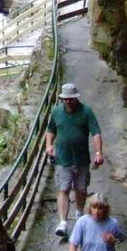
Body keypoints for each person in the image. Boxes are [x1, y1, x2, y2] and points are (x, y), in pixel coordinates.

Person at [44, 82, 103, 237]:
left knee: (81, 188)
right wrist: (49, 145)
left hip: (81, 158)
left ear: (76, 98)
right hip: (63, 159)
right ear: (62, 99)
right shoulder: (56, 112)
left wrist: (98, 152)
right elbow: (50, 130)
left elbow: (96, 133)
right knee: (63, 189)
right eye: (65, 99)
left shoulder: (86, 112)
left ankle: (79, 214)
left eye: (71, 99)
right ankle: (63, 223)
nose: (68, 101)